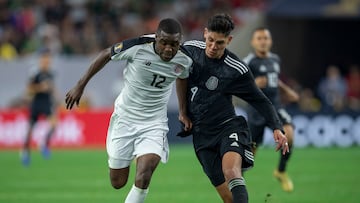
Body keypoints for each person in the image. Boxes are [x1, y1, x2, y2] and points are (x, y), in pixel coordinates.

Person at [65, 18, 192, 203]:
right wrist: (80, 86)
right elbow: (106, 54)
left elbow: (182, 76)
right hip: (125, 118)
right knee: (118, 182)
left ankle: (142, 157)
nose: (168, 49)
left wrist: (182, 111)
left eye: (174, 44)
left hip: (154, 123)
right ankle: (129, 155)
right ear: (156, 38)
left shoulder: (185, 58)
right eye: (164, 43)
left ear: (179, 41)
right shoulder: (138, 46)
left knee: (145, 173)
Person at [177, 14, 289, 203]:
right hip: (201, 134)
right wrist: (182, 112)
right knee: (228, 199)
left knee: (231, 171)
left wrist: (277, 127)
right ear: (205, 33)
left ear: (229, 40)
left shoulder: (236, 69)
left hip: (228, 127)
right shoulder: (189, 50)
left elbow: (260, 100)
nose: (213, 47)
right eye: (210, 40)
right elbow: (179, 76)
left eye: (219, 43)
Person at [243, 27, 299, 192]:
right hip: (256, 110)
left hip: (275, 106)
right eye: (259, 38)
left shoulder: (275, 59)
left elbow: (275, 81)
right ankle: (238, 181)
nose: (262, 41)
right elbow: (237, 84)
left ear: (270, 41)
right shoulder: (248, 62)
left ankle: (280, 171)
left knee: (288, 134)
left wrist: (287, 91)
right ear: (253, 42)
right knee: (250, 154)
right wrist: (253, 85)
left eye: (265, 38)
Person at [21, 49, 58, 166]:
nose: (47, 61)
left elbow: (51, 88)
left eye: (49, 59)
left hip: (47, 102)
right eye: (45, 59)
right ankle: (25, 152)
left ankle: (44, 143)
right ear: (41, 60)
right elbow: (28, 89)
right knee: (30, 130)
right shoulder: (35, 73)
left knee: (54, 124)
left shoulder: (51, 73)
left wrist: (56, 96)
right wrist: (40, 87)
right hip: (37, 102)